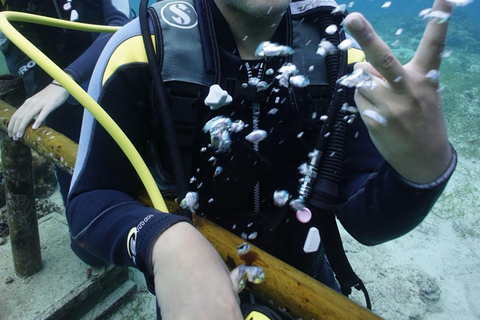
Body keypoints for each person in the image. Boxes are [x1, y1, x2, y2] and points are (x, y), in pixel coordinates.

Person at [66, 0, 457, 319]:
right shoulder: (143, 49)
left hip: (307, 280)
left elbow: (367, 221)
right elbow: (91, 200)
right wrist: (165, 242)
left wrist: (422, 169)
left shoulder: (340, 58)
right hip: (193, 286)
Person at [1, 0, 132, 204]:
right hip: (57, 100)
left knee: (132, 175)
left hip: (120, 86)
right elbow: (22, 58)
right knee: (75, 185)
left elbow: (119, 27)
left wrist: (63, 83)